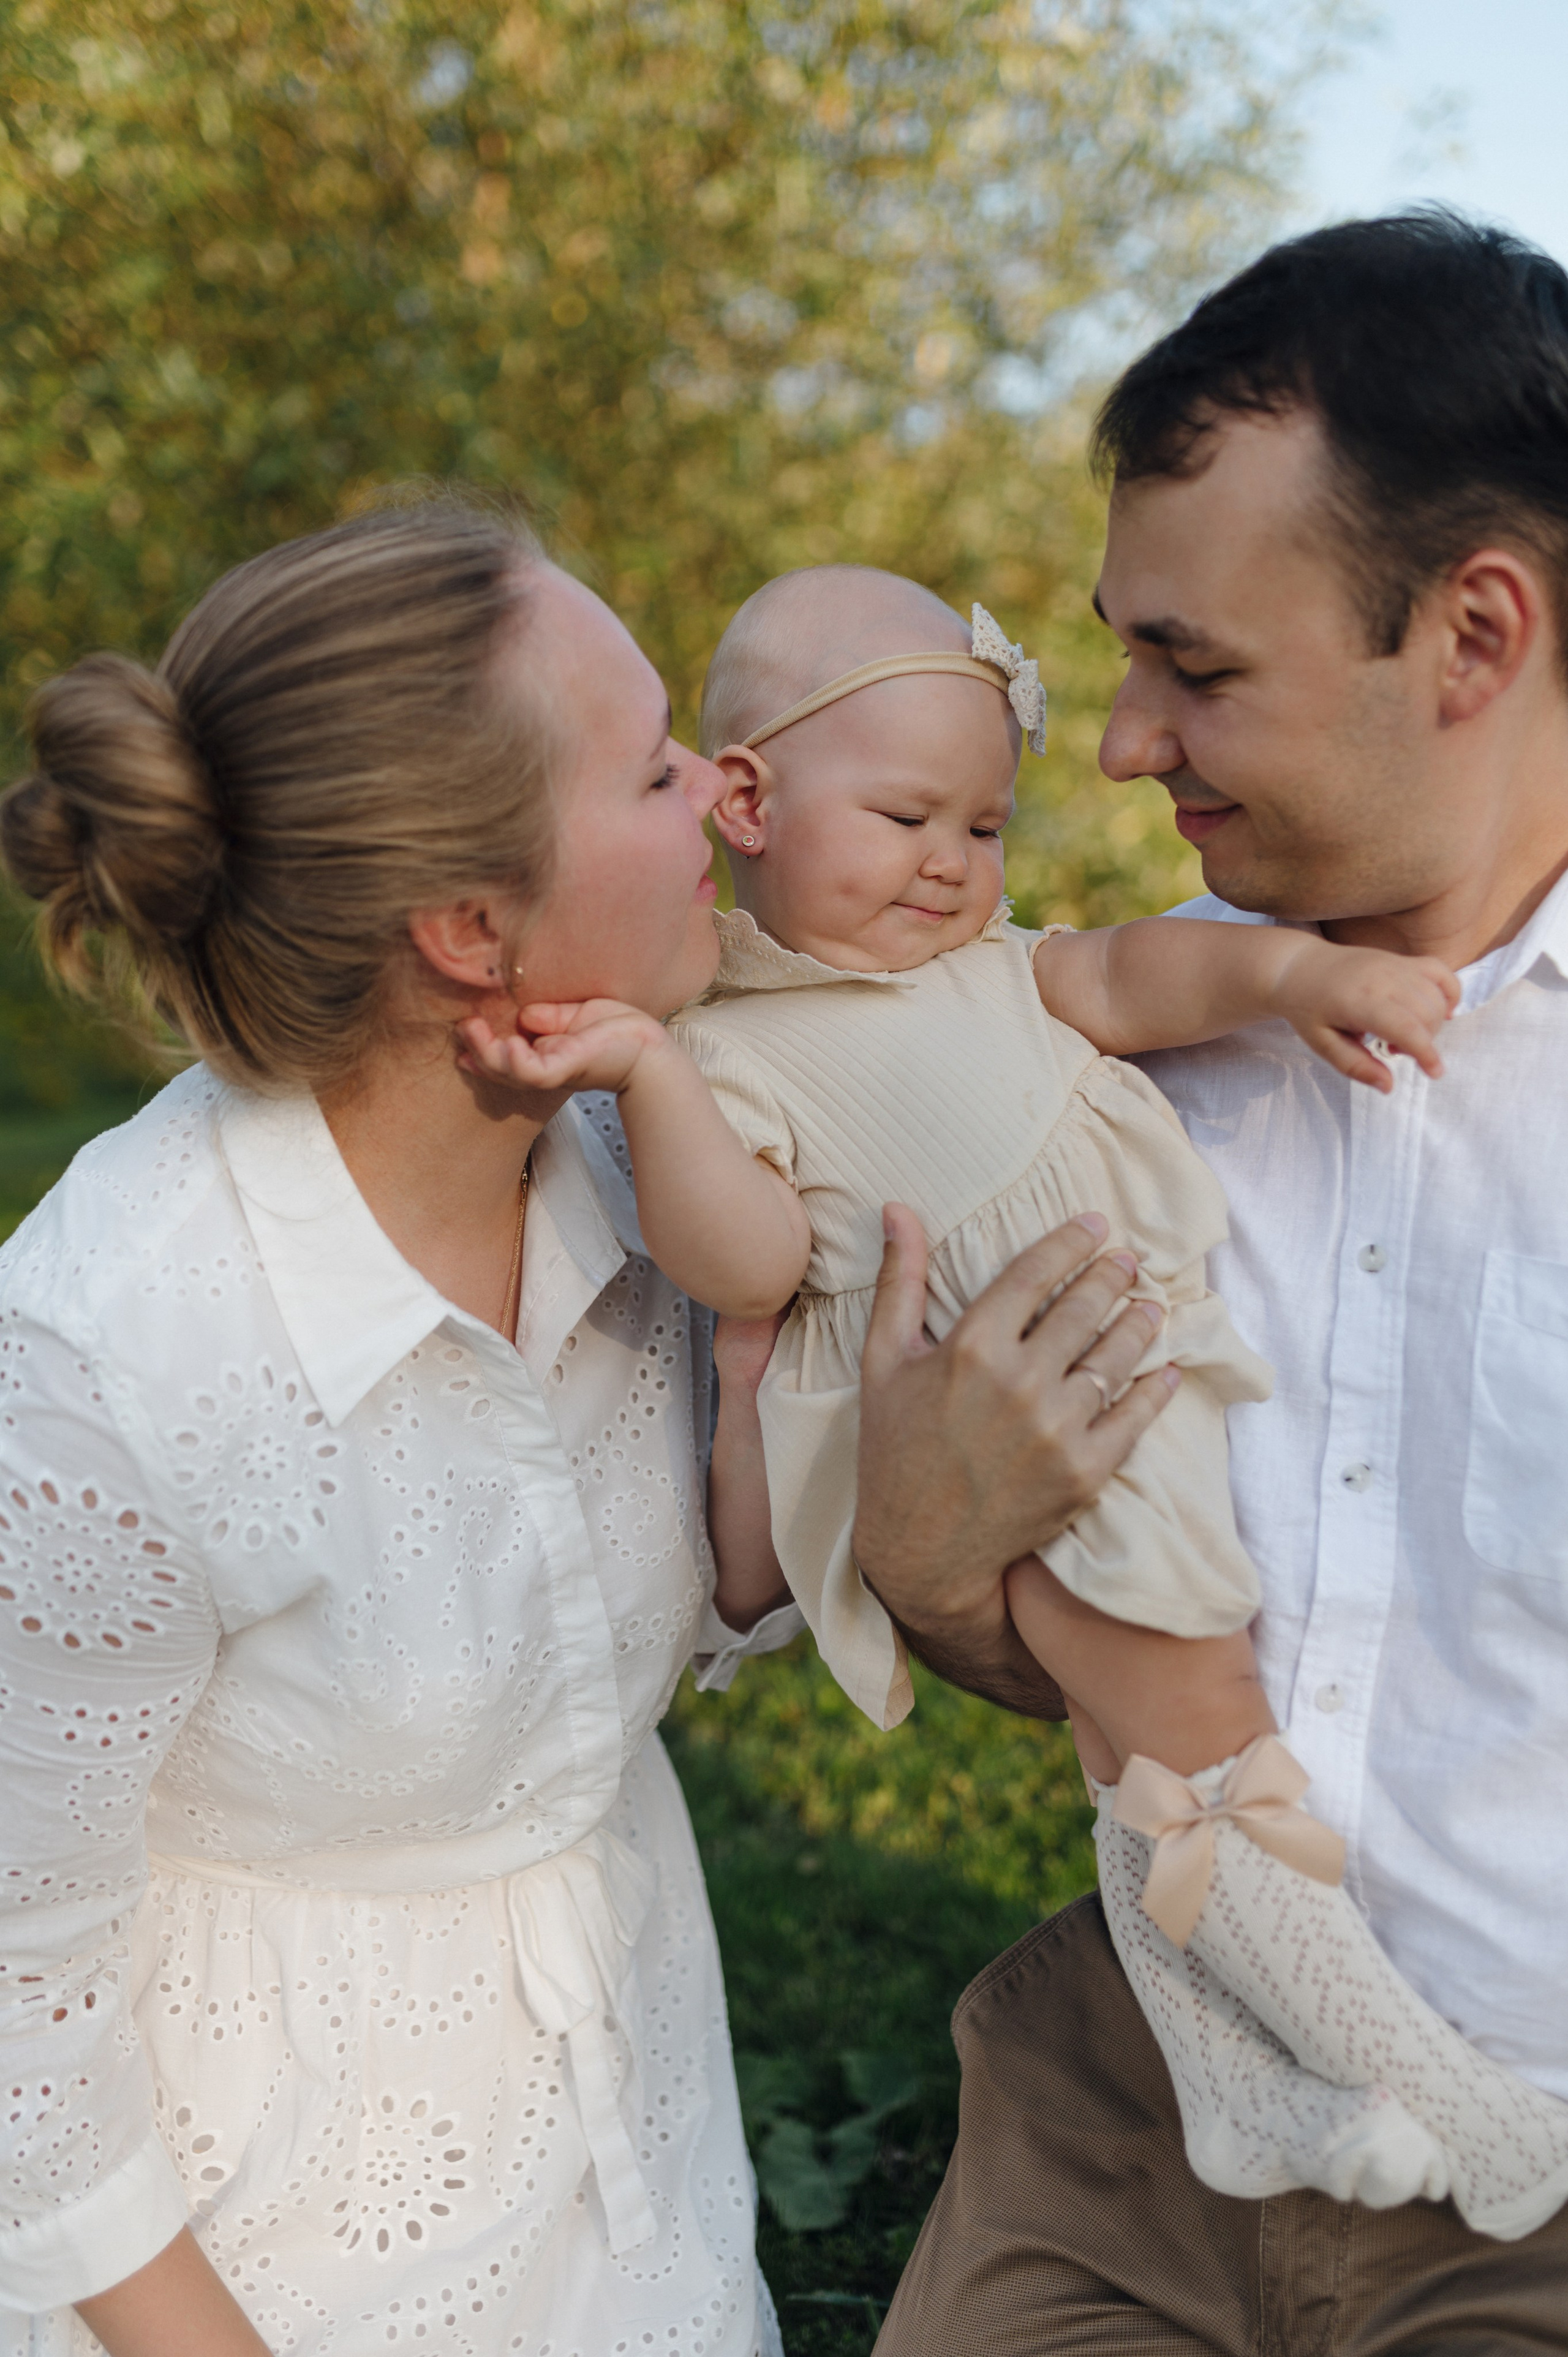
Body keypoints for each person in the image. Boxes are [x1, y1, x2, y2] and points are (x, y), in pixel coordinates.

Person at [0, 496, 1173, 2357]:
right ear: (473, 930)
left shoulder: (655, 1157)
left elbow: (652, 1601)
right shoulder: (112, 1366)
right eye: (650, 772)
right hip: (253, 2273)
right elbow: (19, 2039)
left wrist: (855, 1457)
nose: (725, 786)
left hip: (635, 2178)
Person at [463, 555, 1568, 2234]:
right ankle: (1419, 2082)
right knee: (1200, 1726)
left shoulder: (1002, 968)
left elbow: (1144, 978)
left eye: (983, 831)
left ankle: (1238, 2083)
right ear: (747, 801)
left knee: (1147, 1767)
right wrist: (644, 1073)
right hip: (994, 1430)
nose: (951, 865)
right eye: (910, 816)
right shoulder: (731, 1048)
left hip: (1118, 1393)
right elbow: (749, 1262)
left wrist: (1301, 982)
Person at [872, 211, 1568, 2350]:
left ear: (1471, 635)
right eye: (1123, 654)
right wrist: (928, 1558)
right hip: (1122, 2110)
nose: (1118, 749)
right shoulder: (1108, 1061)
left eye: (1198, 668)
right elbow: (1083, 1641)